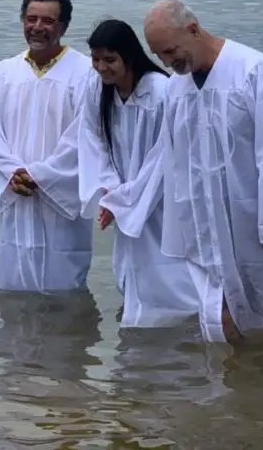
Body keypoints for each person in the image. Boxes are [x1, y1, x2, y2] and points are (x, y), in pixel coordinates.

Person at [141, 0, 263, 343]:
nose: (167, 62)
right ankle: (232, 389)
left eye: (171, 50)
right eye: (159, 55)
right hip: (205, 224)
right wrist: (181, 228)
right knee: (218, 314)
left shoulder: (255, 71)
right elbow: (176, 161)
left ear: (193, 29)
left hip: (257, 222)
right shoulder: (178, 88)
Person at [77, 18, 201, 327]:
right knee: (134, 266)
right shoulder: (97, 90)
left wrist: (127, 198)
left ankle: (183, 326)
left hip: (161, 198)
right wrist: (110, 191)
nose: (102, 67)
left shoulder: (162, 91)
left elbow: (165, 156)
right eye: (96, 59)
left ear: (129, 56)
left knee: (169, 265)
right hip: (124, 194)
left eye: (110, 59)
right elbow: (93, 142)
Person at [0, 0, 95, 292]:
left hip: (60, 196)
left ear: (64, 26)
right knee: (14, 288)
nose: (38, 28)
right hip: (17, 190)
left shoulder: (85, 73)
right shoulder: (6, 71)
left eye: (48, 21)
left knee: (63, 290)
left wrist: (42, 175)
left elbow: (84, 135)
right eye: (31, 19)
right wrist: (11, 172)